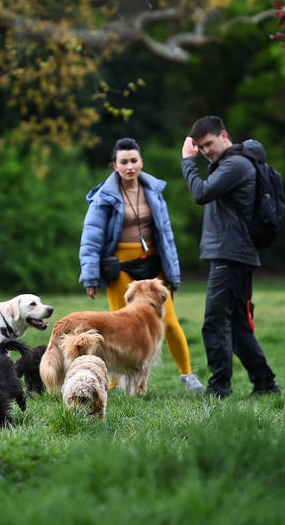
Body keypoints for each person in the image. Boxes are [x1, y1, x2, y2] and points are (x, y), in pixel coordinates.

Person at [79, 137, 205, 392]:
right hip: (121, 268)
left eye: (134, 160)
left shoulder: (154, 191)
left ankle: (188, 376)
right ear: (115, 165)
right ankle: (114, 383)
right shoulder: (104, 197)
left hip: (153, 267)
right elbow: (90, 239)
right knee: (118, 326)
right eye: (123, 162)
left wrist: (174, 272)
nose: (129, 166)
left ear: (141, 162)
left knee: (168, 321)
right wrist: (90, 277)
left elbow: (167, 235)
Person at [181, 115, 280, 398]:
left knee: (215, 322)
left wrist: (188, 161)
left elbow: (201, 194)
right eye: (199, 147)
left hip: (230, 253)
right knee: (236, 325)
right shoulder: (226, 164)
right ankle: (265, 383)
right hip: (234, 253)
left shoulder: (236, 165)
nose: (205, 151)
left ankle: (219, 388)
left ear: (224, 135)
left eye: (208, 144)